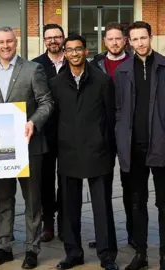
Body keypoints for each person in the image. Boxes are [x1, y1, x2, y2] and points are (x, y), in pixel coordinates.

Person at [0, 26, 53, 269]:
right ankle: (4, 246)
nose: (5, 46)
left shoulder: (33, 69)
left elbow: (46, 102)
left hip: (29, 146)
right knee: (3, 199)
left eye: (9, 41)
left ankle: (32, 249)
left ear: (16, 42)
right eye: (0, 42)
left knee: (32, 200)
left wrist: (34, 121)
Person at [50, 34, 118, 270]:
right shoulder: (56, 83)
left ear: (86, 51)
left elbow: (111, 118)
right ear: (65, 53)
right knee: (69, 209)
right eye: (70, 50)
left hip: (98, 153)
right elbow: (54, 118)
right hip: (68, 153)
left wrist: (108, 148)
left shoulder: (101, 80)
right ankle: (73, 254)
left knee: (102, 207)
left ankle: (107, 255)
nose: (74, 54)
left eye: (78, 49)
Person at [115, 21, 165, 270]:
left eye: (143, 38)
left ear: (151, 37)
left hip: (162, 146)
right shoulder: (123, 71)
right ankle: (141, 253)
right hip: (134, 148)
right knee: (137, 202)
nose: (140, 43)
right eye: (134, 39)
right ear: (129, 42)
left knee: (164, 203)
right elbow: (119, 110)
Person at [88, 21, 133, 250]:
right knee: (102, 189)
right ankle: (104, 236)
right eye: (111, 39)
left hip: (128, 131)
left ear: (125, 40)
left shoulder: (134, 62)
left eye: (118, 38)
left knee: (131, 186)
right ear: (104, 41)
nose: (115, 42)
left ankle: (135, 234)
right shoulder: (95, 64)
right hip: (102, 132)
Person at [31, 23, 66, 243]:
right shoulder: (36, 65)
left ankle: (65, 222)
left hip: (68, 132)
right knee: (45, 180)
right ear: (44, 41)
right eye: (48, 37)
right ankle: (48, 223)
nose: (53, 40)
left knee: (66, 180)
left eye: (57, 37)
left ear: (63, 38)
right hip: (44, 132)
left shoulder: (73, 61)